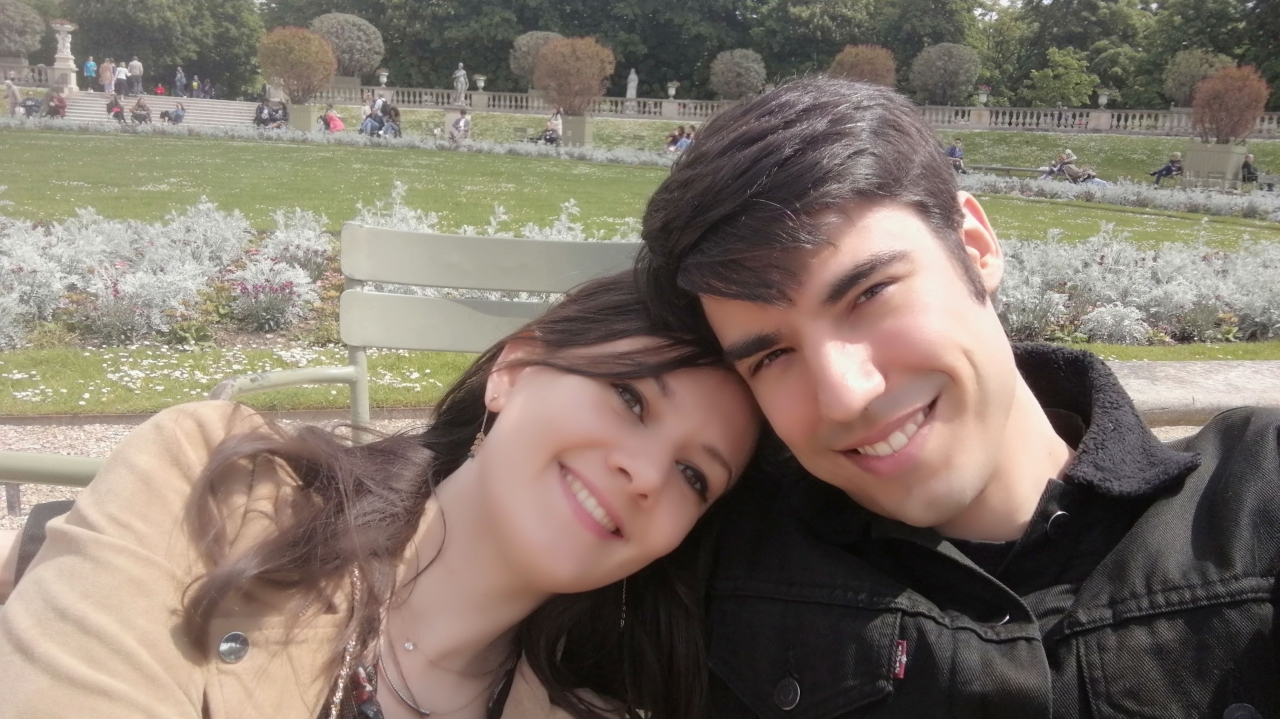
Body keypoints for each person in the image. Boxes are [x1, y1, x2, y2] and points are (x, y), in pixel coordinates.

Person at [635, 76, 1280, 717]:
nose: (846, 396)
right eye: (773, 357)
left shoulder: (1256, 495)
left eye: (868, 294)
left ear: (975, 248)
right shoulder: (716, 566)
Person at [0, 271, 762, 719]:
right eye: (630, 398)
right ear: (514, 372)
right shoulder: (218, 489)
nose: (646, 473)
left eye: (695, 476)